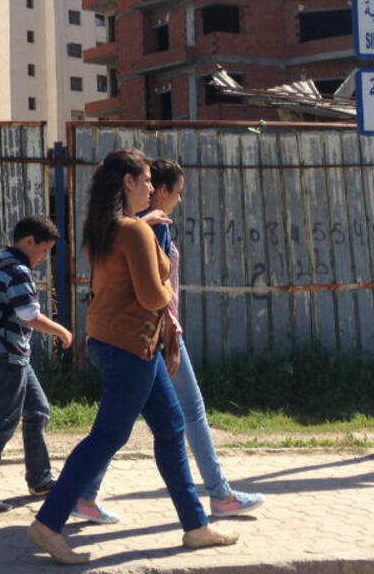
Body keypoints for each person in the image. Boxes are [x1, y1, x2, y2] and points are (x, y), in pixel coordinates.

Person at [28, 148, 238, 565]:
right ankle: (49, 524)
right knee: (108, 436)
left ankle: (196, 526)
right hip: (133, 345)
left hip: (113, 341)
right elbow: (152, 295)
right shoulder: (136, 231)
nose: (150, 187)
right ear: (128, 182)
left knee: (172, 427)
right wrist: (170, 292)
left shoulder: (104, 228)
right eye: (144, 180)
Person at [72, 159, 264, 524]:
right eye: (177, 191)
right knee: (186, 412)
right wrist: (172, 335)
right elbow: (154, 292)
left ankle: (84, 494)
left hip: (137, 335)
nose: (178, 199)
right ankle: (219, 496)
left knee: (124, 423)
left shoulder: (125, 226)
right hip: (153, 335)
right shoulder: (151, 228)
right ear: (157, 190)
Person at [0, 215, 74, 514]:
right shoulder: (17, 269)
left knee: (37, 411)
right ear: (28, 242)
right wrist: (62, 331)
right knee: (2, 421)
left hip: (13, 355)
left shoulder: (2, 261)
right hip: (6, 356)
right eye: (44, 250)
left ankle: (40, 479)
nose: (45, 258)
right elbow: (29, 315)